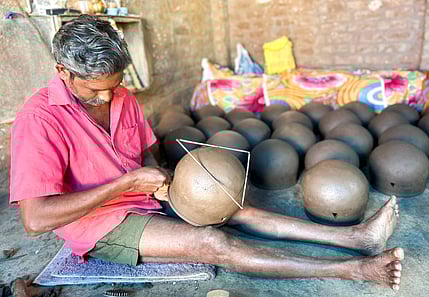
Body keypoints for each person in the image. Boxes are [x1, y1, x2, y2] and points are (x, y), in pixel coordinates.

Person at [9, 15, 403, 291]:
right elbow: (35, 219)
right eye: (95, 89)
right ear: (63, 71)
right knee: (213, 243)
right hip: (99, 224)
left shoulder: (122, 96)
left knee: (235, 206)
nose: (109, 96)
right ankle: (355, 270)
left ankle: (357, 238)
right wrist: (126, 184)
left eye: (114, 84)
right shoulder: (38, 119)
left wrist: (159, 178)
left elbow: (144, 151)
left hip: (142, 194)